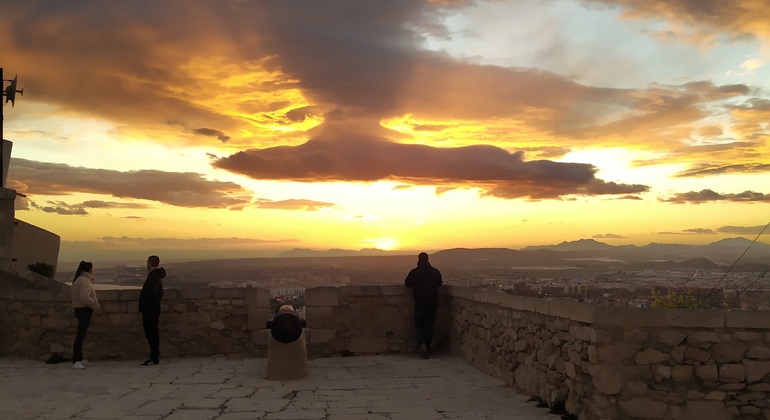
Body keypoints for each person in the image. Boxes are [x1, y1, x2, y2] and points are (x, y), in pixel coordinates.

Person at [404, 252, 442, 359]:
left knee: (418, 324)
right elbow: (439, 283)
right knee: (429, 325)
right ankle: (428, 348)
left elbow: (407, 283)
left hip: (419, 303)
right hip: (432, 302)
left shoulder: (415, 272)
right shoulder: (434, 272)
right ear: (428, 259)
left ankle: (422, 342)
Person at [71, 261, 100, 369]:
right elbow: (84, 297)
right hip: (84, 310)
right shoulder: (85, 281)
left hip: (79, 309)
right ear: (89, 270)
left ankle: (79, 358)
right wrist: (93, 303)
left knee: (81, 335)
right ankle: (76, 360)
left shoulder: (78, 279)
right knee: (80, 336)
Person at [138, 255, 165, 366]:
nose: (147, 265)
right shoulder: (156, 277)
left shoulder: (153, 278)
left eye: (147, 263)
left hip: (150, 310)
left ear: (150, 263)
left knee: (151, 333)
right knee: (152, 333)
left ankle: (154, 358)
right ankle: (154, 357)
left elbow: (152, 295)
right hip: (153, 309)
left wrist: (144, 306)